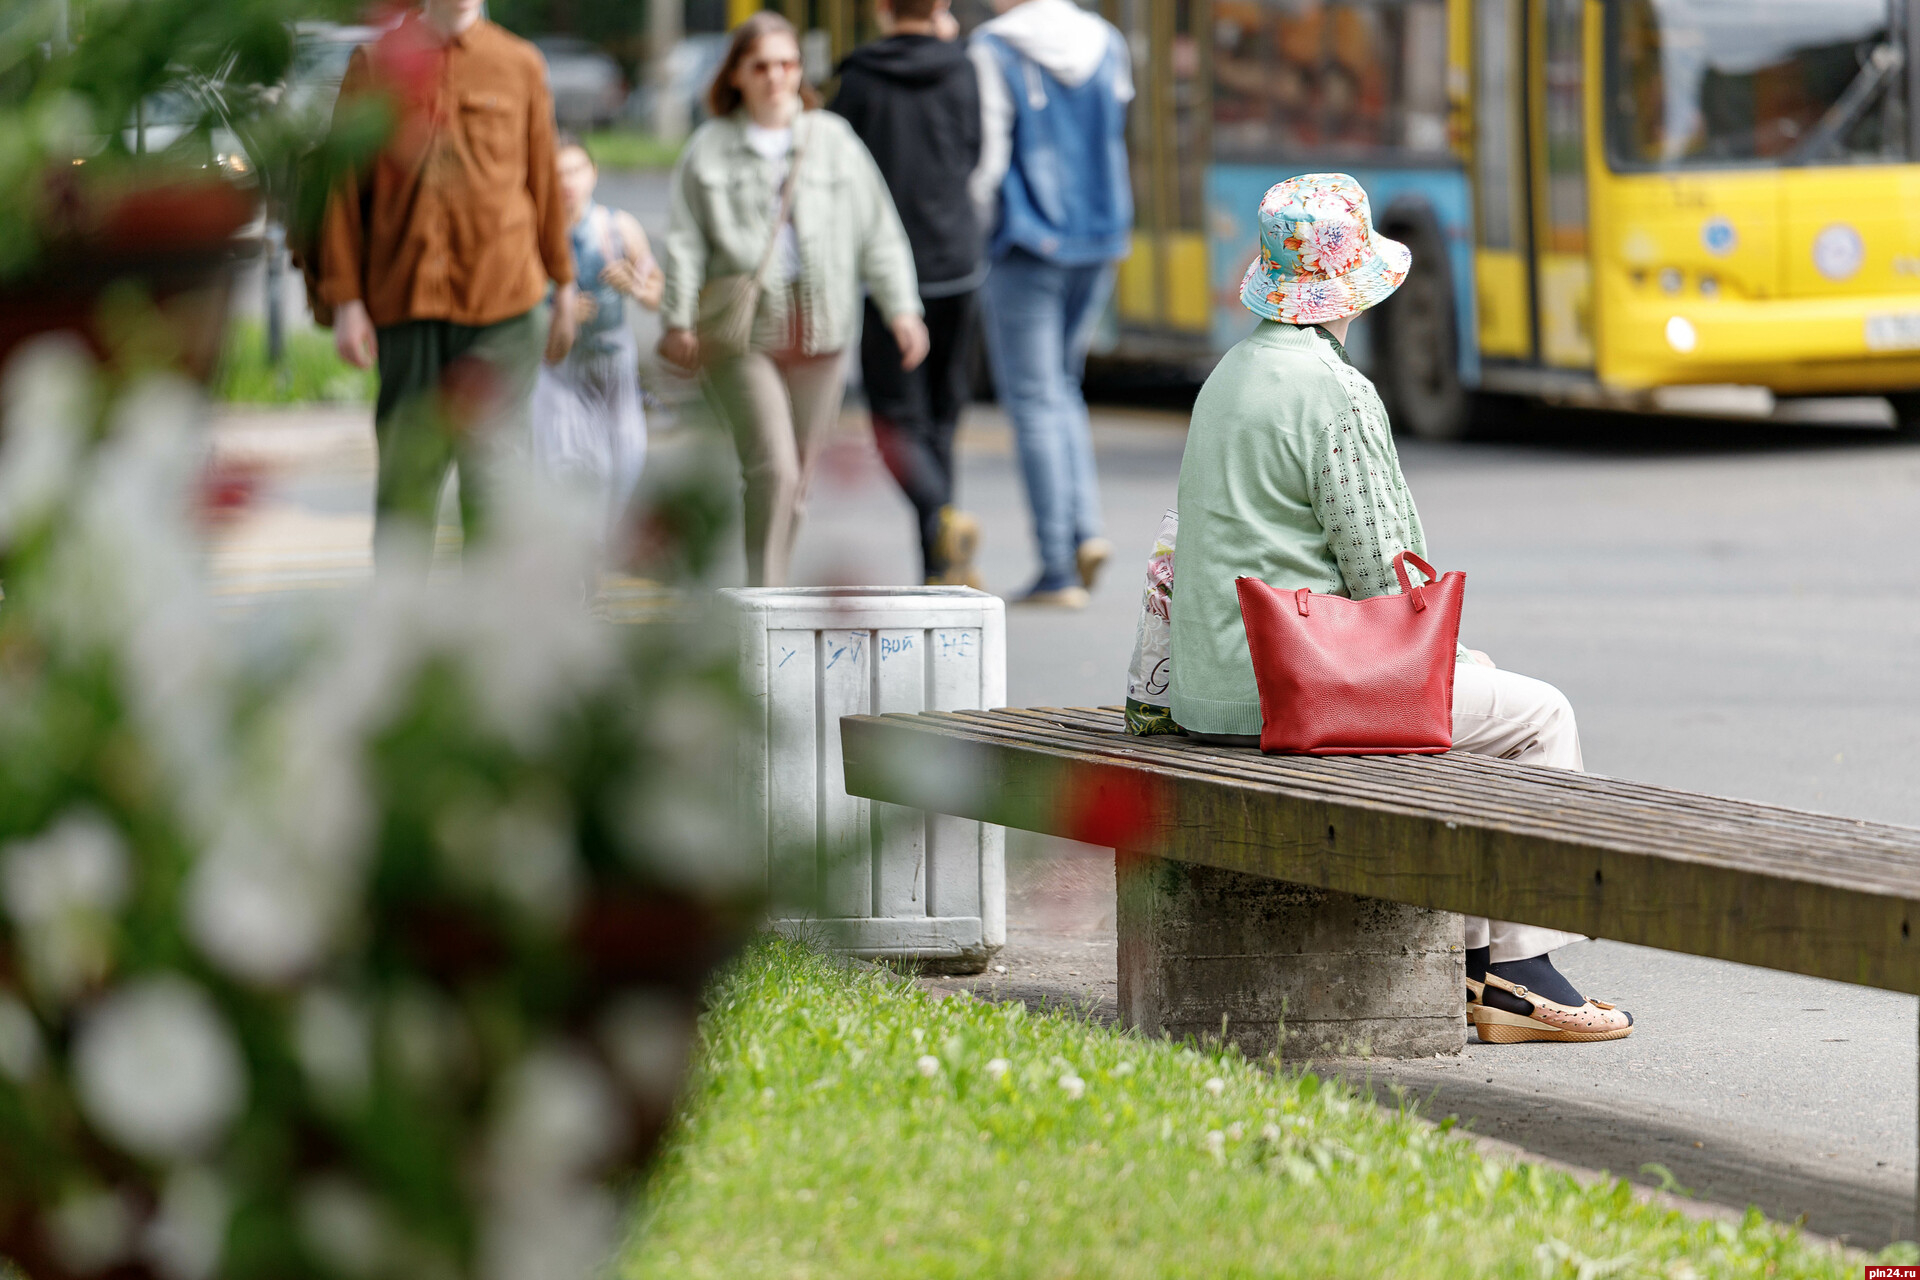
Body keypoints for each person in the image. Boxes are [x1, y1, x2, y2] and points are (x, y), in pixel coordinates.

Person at [1167, 173, 1634, 1045]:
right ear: (1354, 286)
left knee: (1479, 694)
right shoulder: (1336, 392)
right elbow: (1388, 578)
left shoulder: (1229, 375)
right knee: (1539, 716)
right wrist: (1456, 659)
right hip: (1296, 697)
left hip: (1212, 689)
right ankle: (1520, 975)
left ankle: (1480, 967)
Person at [658, 12, 929, 588]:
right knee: (773, 468)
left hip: (822, 328)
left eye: (786, 64)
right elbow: (682, 243)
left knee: (799, 478)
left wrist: (901, 307)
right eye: (760, 66)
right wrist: (677, 319)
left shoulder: (831, 140)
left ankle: (771, 594)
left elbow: (878, 230)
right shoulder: (710, 148)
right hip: (743, 333)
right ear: (736, 75)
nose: (775, 77)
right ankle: (766, 596)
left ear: (799, 71)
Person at [319, 0, 578, 560]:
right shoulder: (374, 63)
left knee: (493, 485)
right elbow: (339, 188)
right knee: (405, 491)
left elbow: (544, 180)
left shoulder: (520, 63)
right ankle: (402, 641)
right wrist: (345, 300)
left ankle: (489, 643)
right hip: (405, 300)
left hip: (504, 304)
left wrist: (564, 283)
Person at [967, 0, 1133, 608]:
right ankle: (1084, 529)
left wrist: (972, 234)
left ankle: (1057, 567)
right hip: (1099, 237)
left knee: (1033, 396)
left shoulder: (993, 47)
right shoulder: (1107, 41)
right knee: (1063, 386)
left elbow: (986, 161)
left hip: (1028, 240)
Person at [832, 0, 985, 587]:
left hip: (886, 271)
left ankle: (938, 518)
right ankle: (939, 564)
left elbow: (843, 171)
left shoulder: (858, 78)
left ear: (880, 9)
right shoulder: (964, 68)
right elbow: (971, 153)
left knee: (895, 421)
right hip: (958, 261)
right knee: (942, 418)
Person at [532, 135, 663, 553]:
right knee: (567, 462)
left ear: (593, 174)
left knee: (625, 459)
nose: (567, 181)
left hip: (611, 359)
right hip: (557, 363)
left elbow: (656, 291)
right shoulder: (531, 232)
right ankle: (576, 555)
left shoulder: (617, 226)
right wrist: (557, 313)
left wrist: (636, 285)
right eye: (557, 173)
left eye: (575, 170)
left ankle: (596, 549)